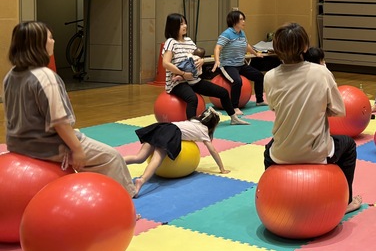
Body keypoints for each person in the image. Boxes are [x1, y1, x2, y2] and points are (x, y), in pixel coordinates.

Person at [2, 21, 136, 197]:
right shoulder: (45, 77)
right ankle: (125, 200)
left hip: (17, 144)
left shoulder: (10, 76)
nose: (54, 41)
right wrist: (77, 149)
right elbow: (60, 122)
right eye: (50, 38)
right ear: (38, 44)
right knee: (112, 157)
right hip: (46, 146)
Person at [263, 22, 362, 213]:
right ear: (305, 47)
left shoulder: (269, 76)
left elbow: (274, 107)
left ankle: (273, 200)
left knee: (268, 151)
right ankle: (347, 200)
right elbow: (339, 110)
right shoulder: (321, 72)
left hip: (281, 153)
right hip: (316, 153)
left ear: (275, 48)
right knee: (348, 145)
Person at [124, 108, 229, 197]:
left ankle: (116, 161)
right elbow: (213, 150)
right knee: (157, 159)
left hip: (162, 127)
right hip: (170, 132)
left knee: (139, 157)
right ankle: (141, 180)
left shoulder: (193, 121)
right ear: (213, 125)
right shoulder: (204, 131)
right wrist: (222, 168)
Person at [162, 13, 242, 125]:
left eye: (185, 23)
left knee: (223, 92)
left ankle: (234, 118)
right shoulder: (171, 42)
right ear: (173, 26)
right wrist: (183, 74)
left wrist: (202, 61)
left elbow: (197, 56)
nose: (185, 26)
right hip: (177, 83)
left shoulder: (189, 41)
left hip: (193, 80)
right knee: (192, 99)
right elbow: (165, 63)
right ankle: (192, 127)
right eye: (181, 24)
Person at [212, 9, 267, 118]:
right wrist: (217, 61)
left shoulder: (242, 33)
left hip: (240, 64)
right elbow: (217, 48)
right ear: (234, 21)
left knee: (259, 76)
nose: (243, 22)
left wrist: (256, 54)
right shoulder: (227, 33)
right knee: (237, 81)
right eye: (241, 19)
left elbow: (246, 45)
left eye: (243, 19)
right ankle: (234, 107)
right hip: (227, 65)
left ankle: (259, 100)